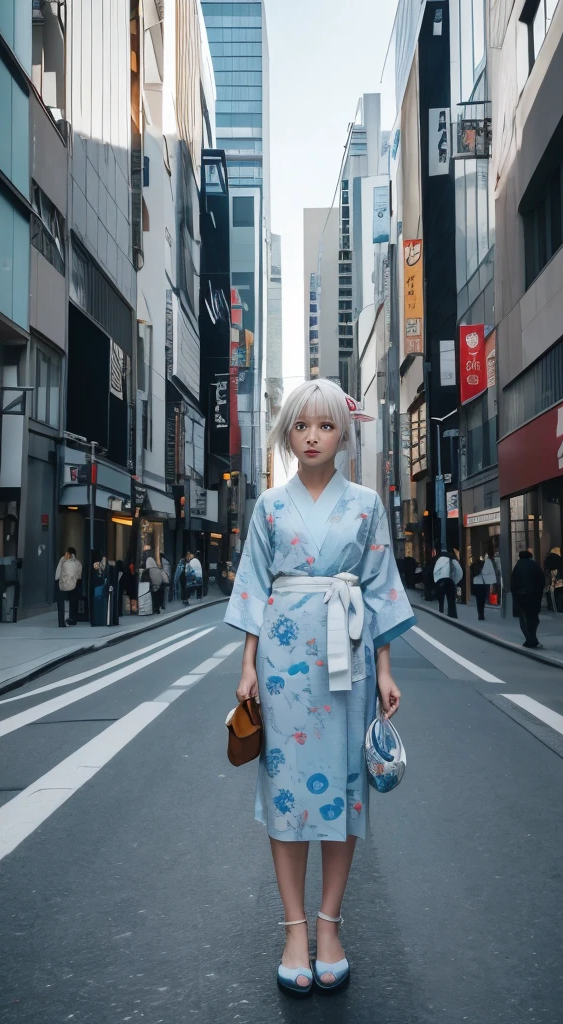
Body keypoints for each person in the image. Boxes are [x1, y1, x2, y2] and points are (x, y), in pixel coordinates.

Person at [226, 378, 415, 996]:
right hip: (282, 660)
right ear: (287, 434)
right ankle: (293, 930)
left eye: (325, 426)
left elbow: (381, 585)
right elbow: (254, 584)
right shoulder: (269, 508)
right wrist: (248, 663)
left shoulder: (365, 504)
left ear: (344, 433)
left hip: (348, 660)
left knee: (342, 793)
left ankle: (329, 926)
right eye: (301, 426)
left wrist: (385, 669)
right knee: (286, 793)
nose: (312, 437)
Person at [511, 550, 545, 648]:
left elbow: (513, 583)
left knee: (523, 619)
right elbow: (541, 579)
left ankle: (530, 640)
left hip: (519, 596)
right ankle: (532, 640)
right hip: (533, 596)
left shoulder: (517, 567)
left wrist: (515, 594)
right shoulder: (534, 566)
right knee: (533, 619)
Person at [54, 547, 82, 627]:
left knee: (61, 604)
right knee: (72, 602)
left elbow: (58, 572)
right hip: (73, 585)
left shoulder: (62, 559)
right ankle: (72, 619)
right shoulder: (77, 563)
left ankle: (61, 622)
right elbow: (78, 575)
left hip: (61, 583)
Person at [433, 549, 463, 617]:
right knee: (451, 599)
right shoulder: (453, 560)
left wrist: (436, 580)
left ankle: (441, 611)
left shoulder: (439, 560)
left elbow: (435, 571)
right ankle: (452, 614)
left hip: (441, 581)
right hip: (450, 581)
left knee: (441, 599)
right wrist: (455, 581)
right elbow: (459, 571)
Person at [470, 551, 497, 621]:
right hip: (484, 584)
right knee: (483, 599)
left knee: (479, 600)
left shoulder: (474, 566)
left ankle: (480, 614)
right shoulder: (486, 565)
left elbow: (472, 575)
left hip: (477, 584)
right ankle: (481, 613)